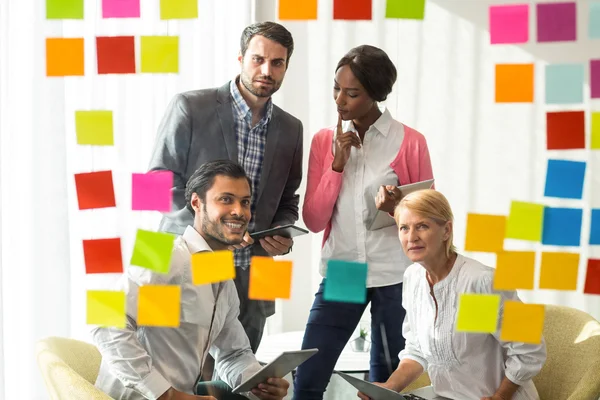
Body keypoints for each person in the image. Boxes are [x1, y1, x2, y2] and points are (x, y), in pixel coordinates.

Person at [147, 22, 303, 359]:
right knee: (174, 372)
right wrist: (215, 229)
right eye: (258, 59)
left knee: (241, 374)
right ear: (241, 58)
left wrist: (284, 233)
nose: (267, 70)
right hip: (187, 257)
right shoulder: (189, 105)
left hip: (258, 268)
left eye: (277, 63)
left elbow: (289, 197)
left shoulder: (292, 128)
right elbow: (154, 185)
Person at [294, 45, 434, 400]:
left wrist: (396, 207)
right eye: (336, 89)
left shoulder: (410, 142)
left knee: (382, 385)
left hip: (396, 273)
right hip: (344, 270)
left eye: (352, 93)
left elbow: (430, 218)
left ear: (376, 94)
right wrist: (336, 165)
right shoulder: (325, 141)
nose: (340, 100)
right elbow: (313, 219)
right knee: (308, 376)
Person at [91, 160, 290, 400]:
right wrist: (167, 395)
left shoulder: (222, 278)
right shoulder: (161, 250)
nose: (239, 211)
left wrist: (258, 383)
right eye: (226, 199)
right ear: (197, 203)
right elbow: (104, 318)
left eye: (245, 202)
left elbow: (233, 353)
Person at [358, 189, 546, 400]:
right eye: (404, 228)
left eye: (422, 226)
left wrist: (500, 397)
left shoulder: (480, 282)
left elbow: (530, 349)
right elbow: (416, 350)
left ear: (446, 230)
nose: (411, 237)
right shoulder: (413, 279)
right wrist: (388, 387)